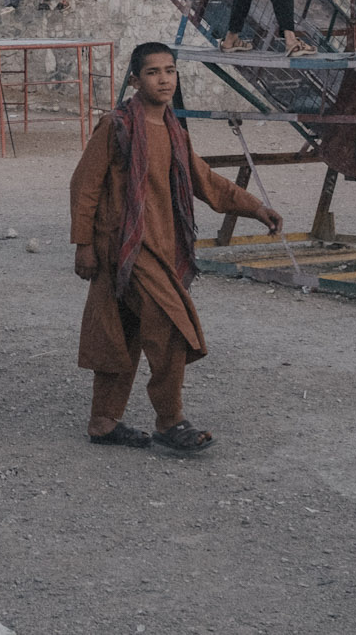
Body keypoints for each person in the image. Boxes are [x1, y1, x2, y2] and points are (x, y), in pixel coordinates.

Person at [71, 42, 281, 451]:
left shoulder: (173, 131)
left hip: (161, 248)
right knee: (169, 329)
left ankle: (103, 422)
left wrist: (255, 207)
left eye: (170, 70)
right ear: (135, 80)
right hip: (126, 247)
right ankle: (170, 421)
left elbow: (206, 181)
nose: (164, 79)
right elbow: (84, 186)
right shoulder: (115, 127)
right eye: (153, 72)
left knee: (123, 333)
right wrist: (83, 245)